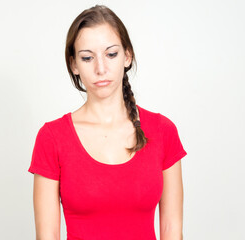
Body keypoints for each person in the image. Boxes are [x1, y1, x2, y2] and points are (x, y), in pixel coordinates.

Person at [28, 4, 187, 240]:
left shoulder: (163, 131)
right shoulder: (52, 137)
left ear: (127, 56)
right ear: (74, 65)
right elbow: (47, 235)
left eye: (111, 54)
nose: (100, 68)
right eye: (87, 57)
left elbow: (171, 230)